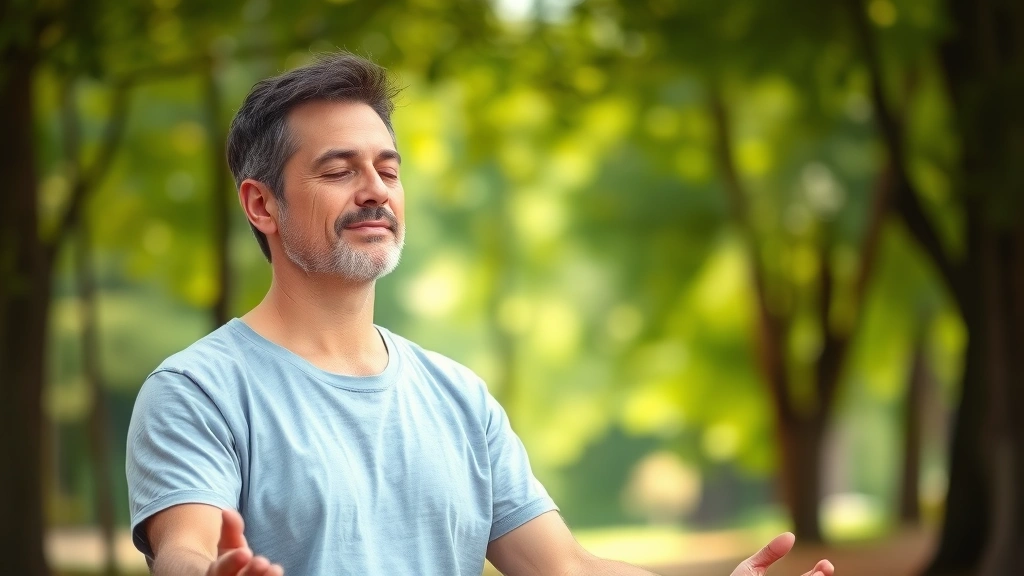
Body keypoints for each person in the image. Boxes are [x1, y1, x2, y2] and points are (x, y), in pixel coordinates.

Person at [126, 52, 836, 576]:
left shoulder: (458, 397)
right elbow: (185, 548)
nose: (375, 191)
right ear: (262, 205)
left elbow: (563, 567)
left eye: (389, 170)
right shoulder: (199, 391)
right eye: (339, 171)